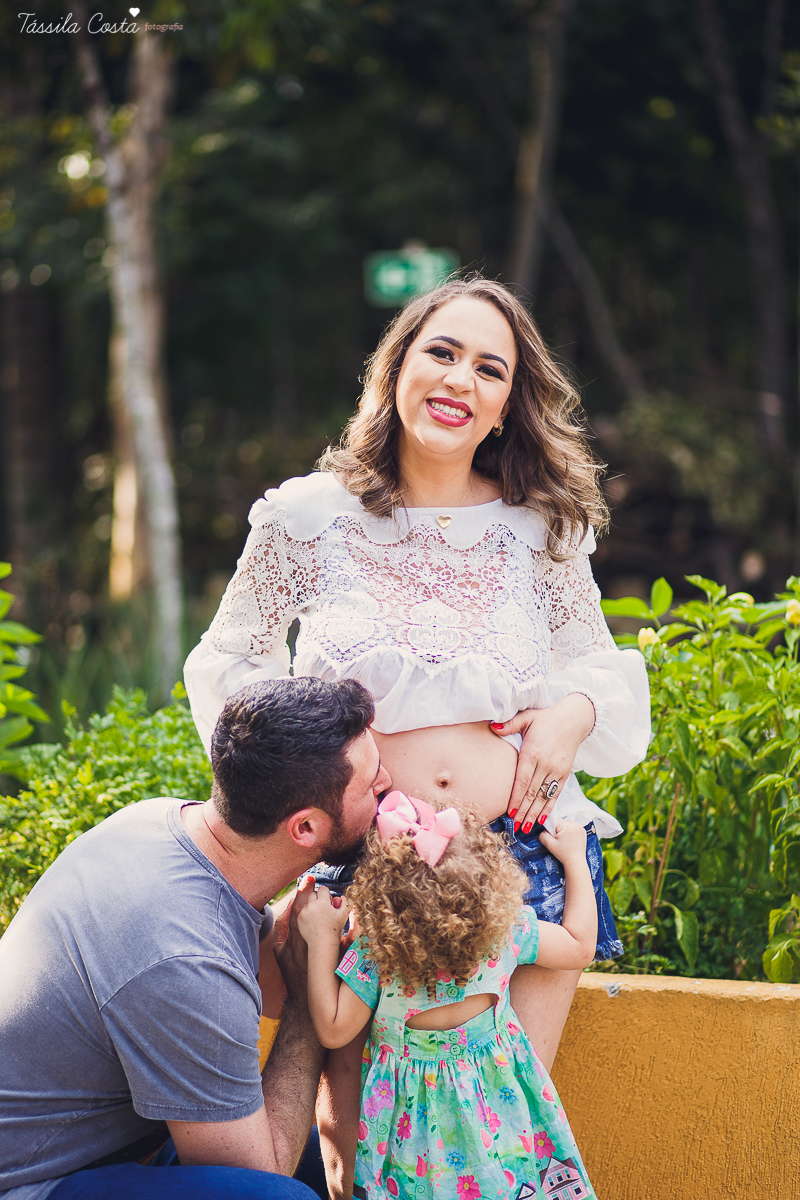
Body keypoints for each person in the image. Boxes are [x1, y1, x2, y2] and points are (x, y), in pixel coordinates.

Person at [184, 275, 650, 1191]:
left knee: (495, 1146)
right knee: (367, 1154)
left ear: (507, 405)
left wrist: (572, 714)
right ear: (397, 367)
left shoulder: (539, 528)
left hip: (521, 872)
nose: (459, 379)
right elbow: (227, 664)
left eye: (490, 368)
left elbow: (600, 667)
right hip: (364, 874)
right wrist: (314, 775)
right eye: (441, 352)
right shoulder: (308, 519)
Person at [0, 677, 391, 1200]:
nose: (389, 781)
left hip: (112, 1148)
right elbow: (259, 1178)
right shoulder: (185, 960)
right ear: (304, 829)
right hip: (35, 1182)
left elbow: (241, 950)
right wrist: (307, 998)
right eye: (370, 785)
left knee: (373, 1142)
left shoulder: (164, 825)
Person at [298, 791, 598, 1200]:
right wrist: (576, 860)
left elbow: (333, 1030)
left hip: (414, 1145)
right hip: (500, 1126)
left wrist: (321, 937)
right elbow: (580, 945)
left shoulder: (378, 961)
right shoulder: (504, 937)